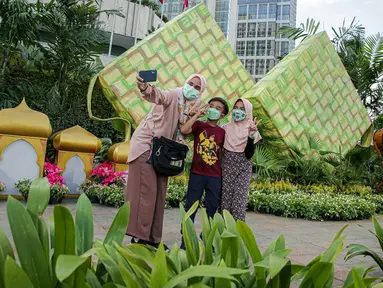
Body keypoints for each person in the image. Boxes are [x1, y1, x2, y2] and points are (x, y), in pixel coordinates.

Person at [125, 73, 207, 248]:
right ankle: (139, 236)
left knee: (159, 194)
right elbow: (158, 96)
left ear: (200, 93)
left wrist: (194, 115)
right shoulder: (174, 95)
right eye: (190, 83)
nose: (192, 88)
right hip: (146, 147)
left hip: (163, 154)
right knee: (145, 193)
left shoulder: (188, 107)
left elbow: (184, 131)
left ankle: (153, 238)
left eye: (197, 87)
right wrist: (145, 87)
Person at [179, 97, 229, 248]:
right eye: (211, 106)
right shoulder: (199, 125)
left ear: (222, 115)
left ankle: (209, 241)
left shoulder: (222, 132)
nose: (213, 109)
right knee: (190, 208)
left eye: (218, 108)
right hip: (197, 174)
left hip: (215, 177)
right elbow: (184, 130)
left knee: (211, 210)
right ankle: (185, 242)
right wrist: (196, 115)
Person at [220, 98, 262, 222]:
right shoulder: (225, 128)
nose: (238, 111)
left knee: (238, 204)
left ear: (248, 112)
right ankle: (222, 236)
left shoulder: (252, 128)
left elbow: (249, 154)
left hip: (243, 169)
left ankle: (237, 235)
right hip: (226, 167)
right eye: (236, 108)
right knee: (225, 203)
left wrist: (250, 135)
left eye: (242, 109)